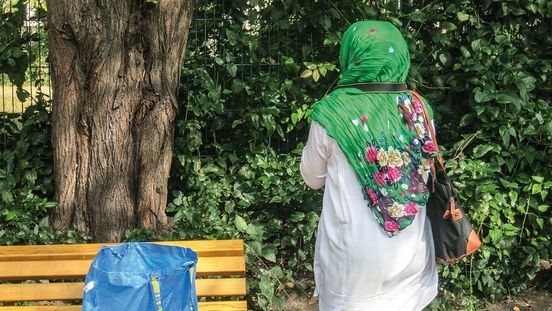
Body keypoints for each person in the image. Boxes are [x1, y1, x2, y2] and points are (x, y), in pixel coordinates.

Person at [300, 20, 439, 311]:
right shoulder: (418, 107)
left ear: (351, 55)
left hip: (352, 266)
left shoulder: (331, 112)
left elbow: (312, 178)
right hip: (411, 256)